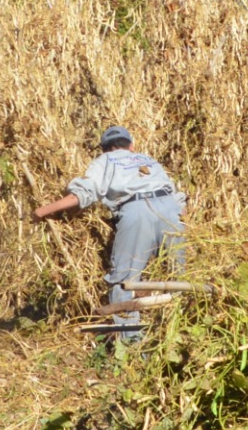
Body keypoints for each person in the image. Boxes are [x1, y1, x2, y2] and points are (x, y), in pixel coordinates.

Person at [34, 125, 185, 332]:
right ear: (131, 146)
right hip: (170, 211)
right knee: (181, 278)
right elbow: (177, 197)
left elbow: (82, 194)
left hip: (137, 212)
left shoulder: (105, 160)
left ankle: (129, 346)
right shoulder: (148, 160)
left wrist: (43, 211)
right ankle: (181, 333)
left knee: (124, 281)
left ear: (105, 149)